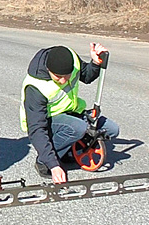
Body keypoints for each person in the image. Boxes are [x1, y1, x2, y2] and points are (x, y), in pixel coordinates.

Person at [20, 44, 120, 184]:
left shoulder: (72, 59)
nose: (63, 80)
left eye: (66, 75)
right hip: (48, 121)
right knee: (77, 127)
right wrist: (53, 165)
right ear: (48, 70)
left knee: (112, 129)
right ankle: (43, 162)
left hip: (72, 112)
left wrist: (96, 64)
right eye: (58, 77)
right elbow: (36, 129)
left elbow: (86, 76)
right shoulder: (35, 87)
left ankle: (69, 149)